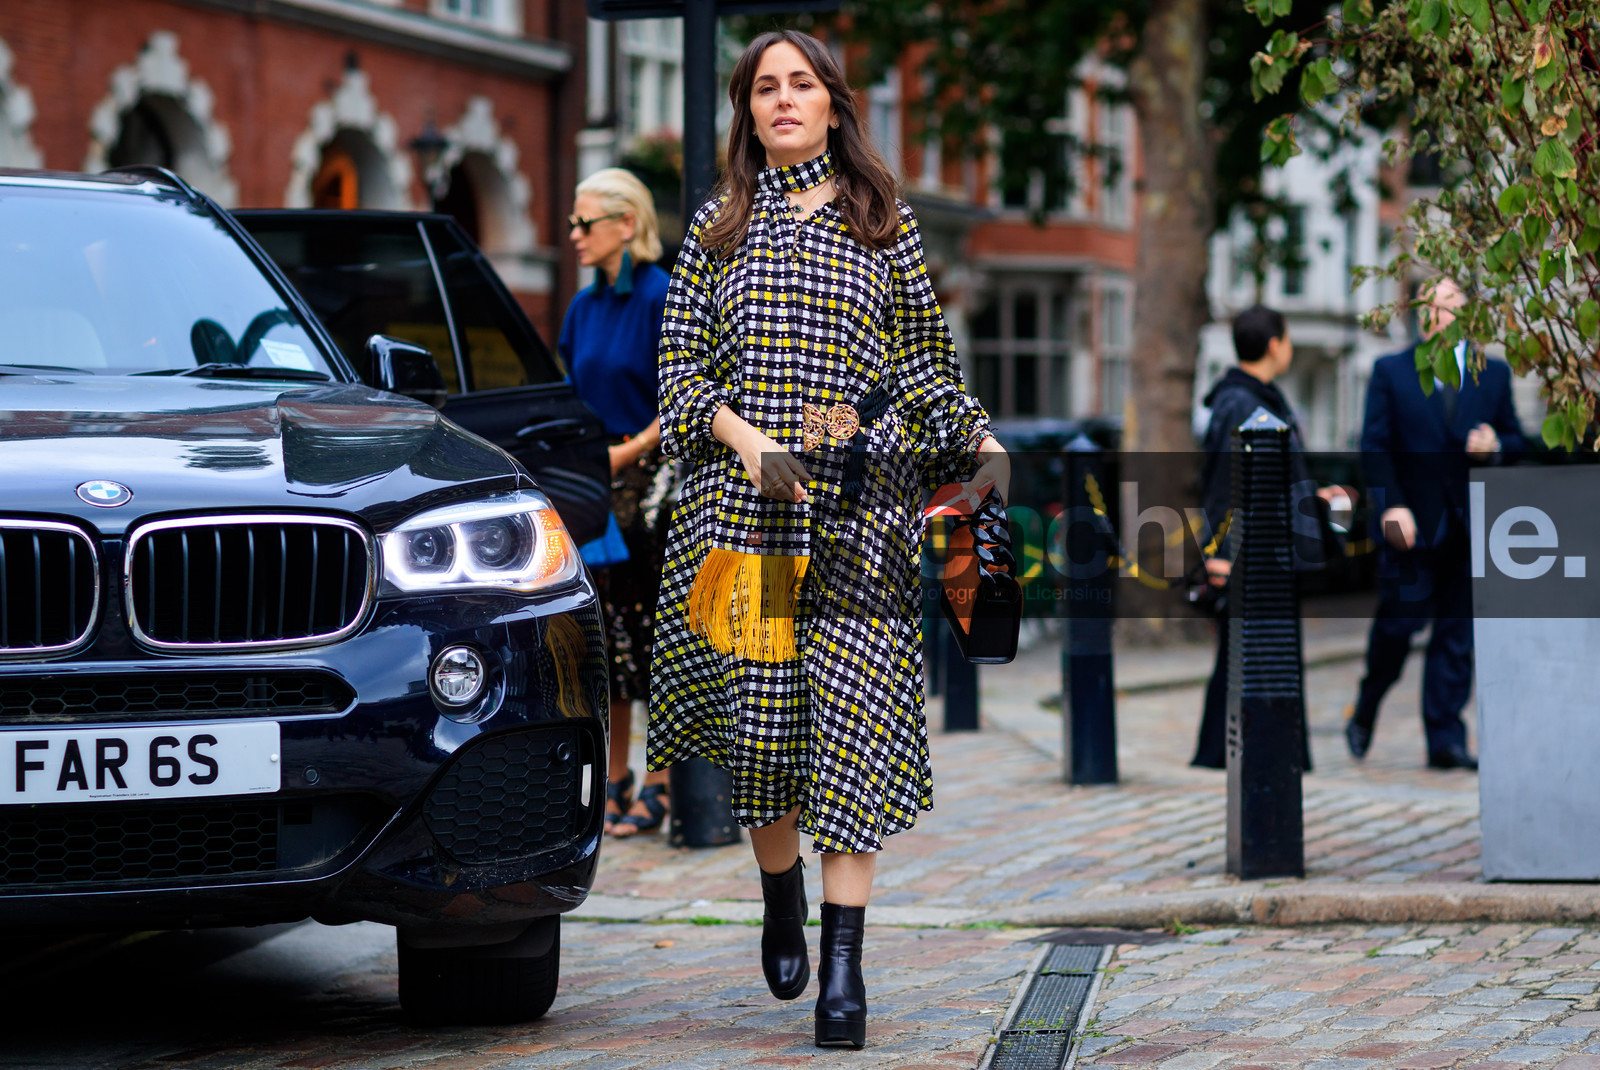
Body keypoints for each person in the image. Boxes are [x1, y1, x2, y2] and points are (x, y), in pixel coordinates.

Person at [648, 30, 1008, 1050]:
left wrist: (980, 443)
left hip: (861, 521)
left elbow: (926, 363)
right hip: (745, 521)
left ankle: (844, 968)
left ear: (832, 104)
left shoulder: (883, 223)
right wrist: (748, 441)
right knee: (763, 739)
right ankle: (781, 896)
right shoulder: (717, 226)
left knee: (851, 732)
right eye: (765, 87)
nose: (783, 99)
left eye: (800, 83)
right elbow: (680, 375)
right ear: (748, 111)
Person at [1345, 277, 1525, 770]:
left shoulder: (1493, 374)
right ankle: (1367, 703)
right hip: (1410, 526)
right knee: (1398, 629)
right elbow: (1375, 447)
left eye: (1448, 307)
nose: (1437, 317)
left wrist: (1496, 446)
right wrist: (1391, 507)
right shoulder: (1391, 371)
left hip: (1468, 528)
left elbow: (1516, 440)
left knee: (1456, 637)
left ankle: (1445, 740)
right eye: (1429, 307)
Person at [559, 167, 674, 836]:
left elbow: (684, 396)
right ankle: (615, 777)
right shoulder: (582, 307)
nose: (574, 234)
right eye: (573, 223)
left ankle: (660, 783)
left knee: (653, 634)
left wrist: (626, 454)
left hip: (651, 487)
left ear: (627, 224)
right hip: (594, 487)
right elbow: (573, 398)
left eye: (586, 223)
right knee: (608, 637)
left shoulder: (662, 295)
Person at [1192, 304, 1332, 770]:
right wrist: (1219, 551)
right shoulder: (1240, 403)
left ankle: (1233, 752)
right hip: (1253, 550)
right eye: (1287, 338)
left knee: (1251, 651)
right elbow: (1221, 482)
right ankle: (1232, 753)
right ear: (1275, 344)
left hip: (1268, 546)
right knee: (1247, 650)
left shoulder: (1262, 397)